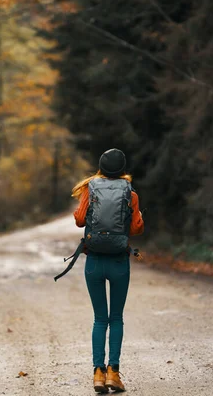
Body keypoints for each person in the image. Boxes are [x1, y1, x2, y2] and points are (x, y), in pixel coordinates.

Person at [72, 148, 144, 393]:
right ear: (123, 169)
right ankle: (114, 372)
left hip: (94, 261)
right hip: (118, 262)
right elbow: (135, 229)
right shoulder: (130, 193)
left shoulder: (90, 189)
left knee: (99, 319)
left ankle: (97, 375)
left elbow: (80, 220)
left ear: (100, 167)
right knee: (116, 318)